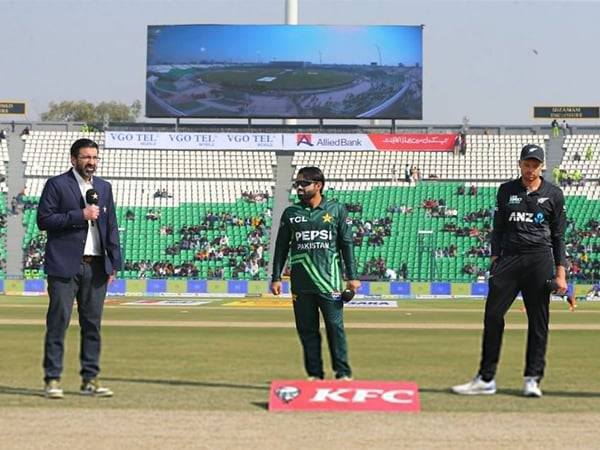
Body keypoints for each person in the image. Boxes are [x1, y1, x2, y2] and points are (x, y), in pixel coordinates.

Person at [452, 144, 567, 398]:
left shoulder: (554, 194)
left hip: (539, 259)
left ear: (542, 166)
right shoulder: (506, 190)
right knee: (493, 316)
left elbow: (559, 236)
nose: (530, 169)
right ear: (520, 164)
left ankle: (532, 378)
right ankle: (486, 378)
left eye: (535, 165)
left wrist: (561, 273)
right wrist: (495, 257)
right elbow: (499, 228)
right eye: (527, 164)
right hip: (509, 259)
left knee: (538, 322)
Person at [37, 138, 122, 399]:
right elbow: (44, 220)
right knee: (58, 322)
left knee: (92, 325)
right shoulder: (57, 185)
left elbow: (111, 227)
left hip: (96, 266)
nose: (91, 162)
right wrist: (79, 215)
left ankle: (90, 379)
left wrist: (114, 263)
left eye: (95, 158)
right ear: (73, 159)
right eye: (86, 157)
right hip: (64, 265)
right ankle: (53, 379)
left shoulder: (104, 188)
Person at [271, 166, 360, 381]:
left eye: (304, 184)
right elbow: (281, 246)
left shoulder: (336, 209)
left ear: (318, 185)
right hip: (300, 283)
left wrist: (353, 276)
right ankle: (315, 375)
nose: (299, 188)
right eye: (297, 184)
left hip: (329, 281)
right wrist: (275, 277)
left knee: (335, 328)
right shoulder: (291, 213)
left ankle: (343, 374)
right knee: (307, 330)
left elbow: (346, 244)